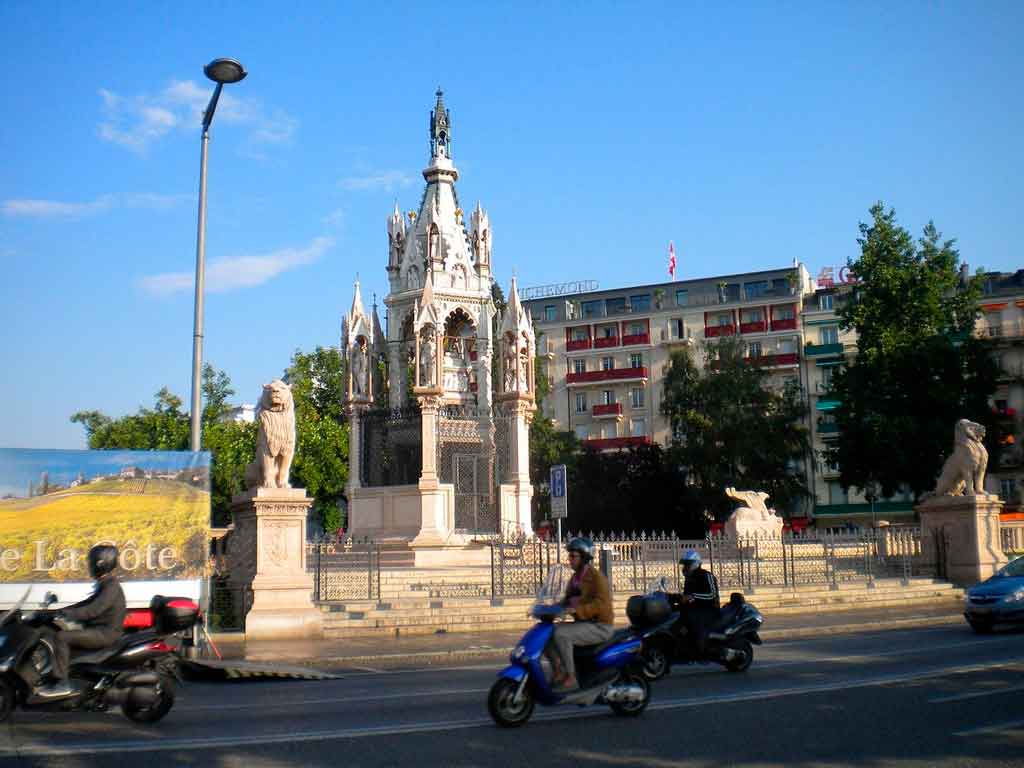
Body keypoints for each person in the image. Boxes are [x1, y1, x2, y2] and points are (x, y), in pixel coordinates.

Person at [38, 544, 126, 698]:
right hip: (100, 630)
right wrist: (61, 611)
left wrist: (68, 615)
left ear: (100, 563)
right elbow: (87, 603)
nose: (89, 566)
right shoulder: (106, 583)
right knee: (63, 634)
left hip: (105, 634)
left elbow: (93, 610)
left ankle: (62, 684)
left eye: (91, 562)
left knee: (62, 637)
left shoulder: (111, 586)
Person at [550, 537, 614, 692]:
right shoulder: (575, 579)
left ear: (584, 558)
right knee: (547, 632)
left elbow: (601, 604)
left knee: (561, 634)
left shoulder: (596, 577)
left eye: (573, 556)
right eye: (569, 556)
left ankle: (571, 678)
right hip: (584, 624)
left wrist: (577, 610)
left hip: (600, 626)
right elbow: (566, 600)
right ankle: (559, 671)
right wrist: (548, 610)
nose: (569, 559)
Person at [675, 548, 720, 658]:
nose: (685, 567)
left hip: (709, 610)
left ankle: (702, 649)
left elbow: (712, 595)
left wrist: (693, 596)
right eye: (684, 565)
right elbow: (685, 596)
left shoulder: (706, 576)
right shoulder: (689, 579)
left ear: (695, 564)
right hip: (695, 609)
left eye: (687, 564)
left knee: (694, 620)